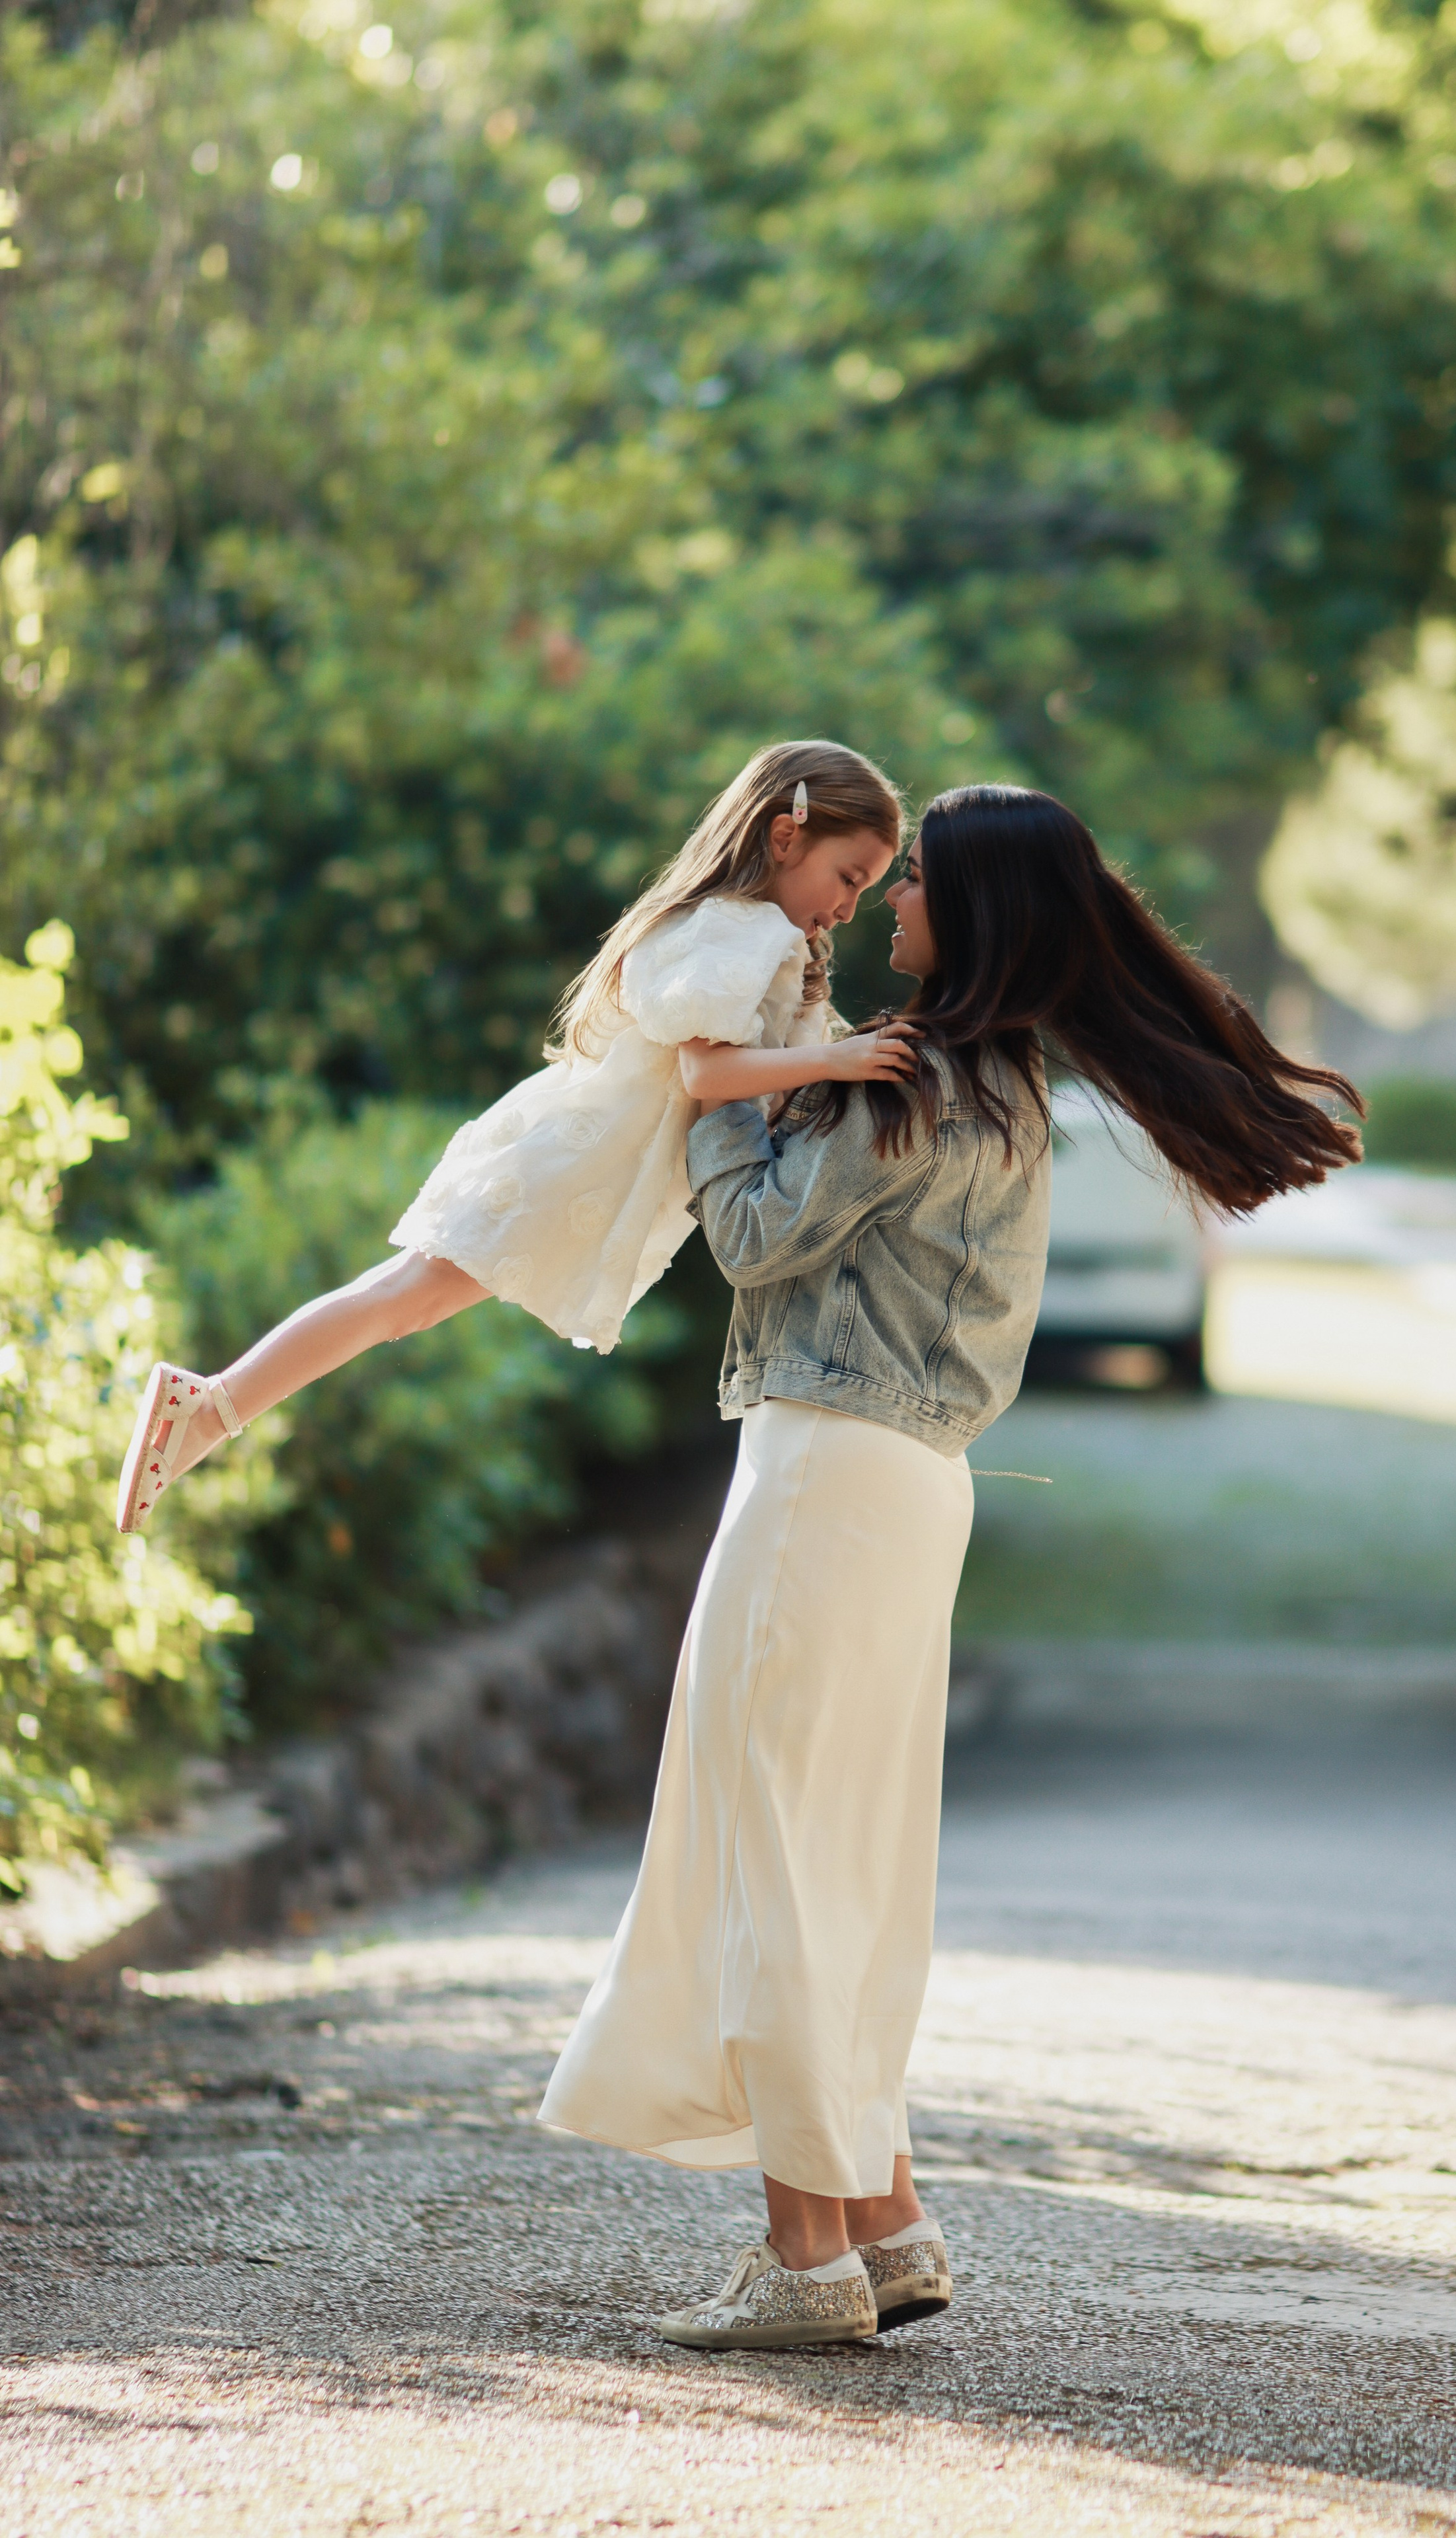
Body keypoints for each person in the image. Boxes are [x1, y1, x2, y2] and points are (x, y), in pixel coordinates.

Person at [539, 782, 1362, 2350]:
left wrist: (710, 1102)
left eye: (911, 877)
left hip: (822, 1472)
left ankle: (801, 2258)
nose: (888, 899)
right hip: (909, 1486)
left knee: (772, 1849)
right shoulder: (1000, 1084)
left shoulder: (906, 1077)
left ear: (969, 911)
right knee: (838, 1856)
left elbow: (756, 1243)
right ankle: (884, 2218)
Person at [114, 741, 916, 1534]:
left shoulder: (739, 932)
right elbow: (710, 1074)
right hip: (570, 1165)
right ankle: (210, 1404)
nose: (848, 908)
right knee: (400, 1298)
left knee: (403, 1300)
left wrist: (841, 1058)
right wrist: (842, 1061)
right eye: (848, 878)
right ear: (785, 837)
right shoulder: (745, 932)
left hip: (573, 1155)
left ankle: (212, 1406)